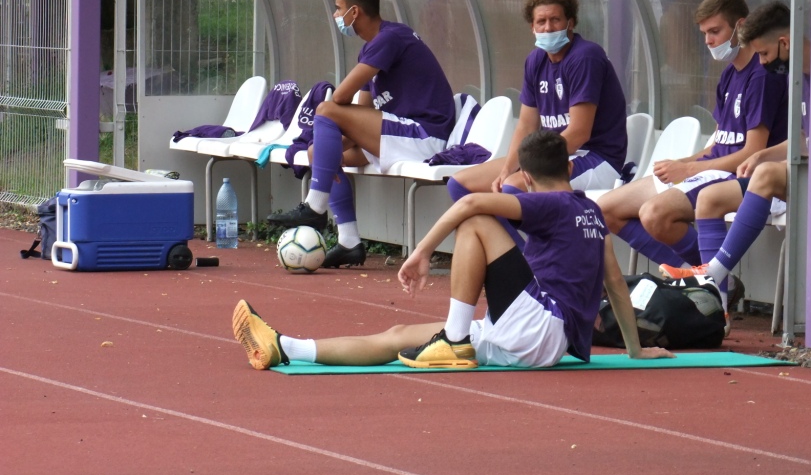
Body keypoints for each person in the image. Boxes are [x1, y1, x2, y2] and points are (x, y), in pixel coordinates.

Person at [233, 131, 674, 370]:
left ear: (525, 177)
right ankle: (286, 347)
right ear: (571, 167)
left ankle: (455, 341)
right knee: (398, 334)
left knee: (478, 222)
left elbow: (469, 203)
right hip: (539, 336)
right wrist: (635, 350)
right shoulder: (591, 211)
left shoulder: (549, 204)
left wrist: (421, 251)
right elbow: (615, 283)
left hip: (539, 325)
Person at [597, 0, 788, 279]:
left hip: (736, 176)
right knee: (605, 209)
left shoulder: (762, 75)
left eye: (715, 31)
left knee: (654, 214)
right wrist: (682, 163)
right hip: (711, 169)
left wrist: (687, 169)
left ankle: (710, 280)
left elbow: (752, 152)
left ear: (740, 26)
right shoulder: (728, 74)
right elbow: (720, 142)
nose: (708, 41)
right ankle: (704, 277)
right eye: (704, 33)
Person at [267, 0, 455, 268]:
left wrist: (332, 121)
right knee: (319, 153)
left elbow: (340, 98)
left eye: (339, 8)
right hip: (399, 134)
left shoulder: (389, 38)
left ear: (355, 11)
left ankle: (315, 207)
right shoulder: (372, 47)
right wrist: (330, 147)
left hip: (424, 134)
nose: (335, 15)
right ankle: (349, 242)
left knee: (326, 109)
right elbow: (360, 113)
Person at [661, 1, 810, 333]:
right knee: (709, 198)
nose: (762, 62)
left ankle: (712, 275)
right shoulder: (795, 75)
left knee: (765, 173)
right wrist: (763, 155)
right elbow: (805, 137)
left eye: (764, 54)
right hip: (796, 170)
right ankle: (716, 311)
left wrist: (762, 158)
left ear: (784, 43)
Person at [449, 0, 628, 206]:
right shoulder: (535, 60)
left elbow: (579, 133)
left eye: (555, 20)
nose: (548, 27)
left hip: (595, 157)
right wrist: (507, 169)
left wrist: (531, 164)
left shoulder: (585, 57)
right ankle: (505, 231)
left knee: (513, 187)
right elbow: (526, 126)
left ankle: (531, 230)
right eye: (541, 22)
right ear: (532, 27)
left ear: (570, 23)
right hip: (551, 155)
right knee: (460, 184)